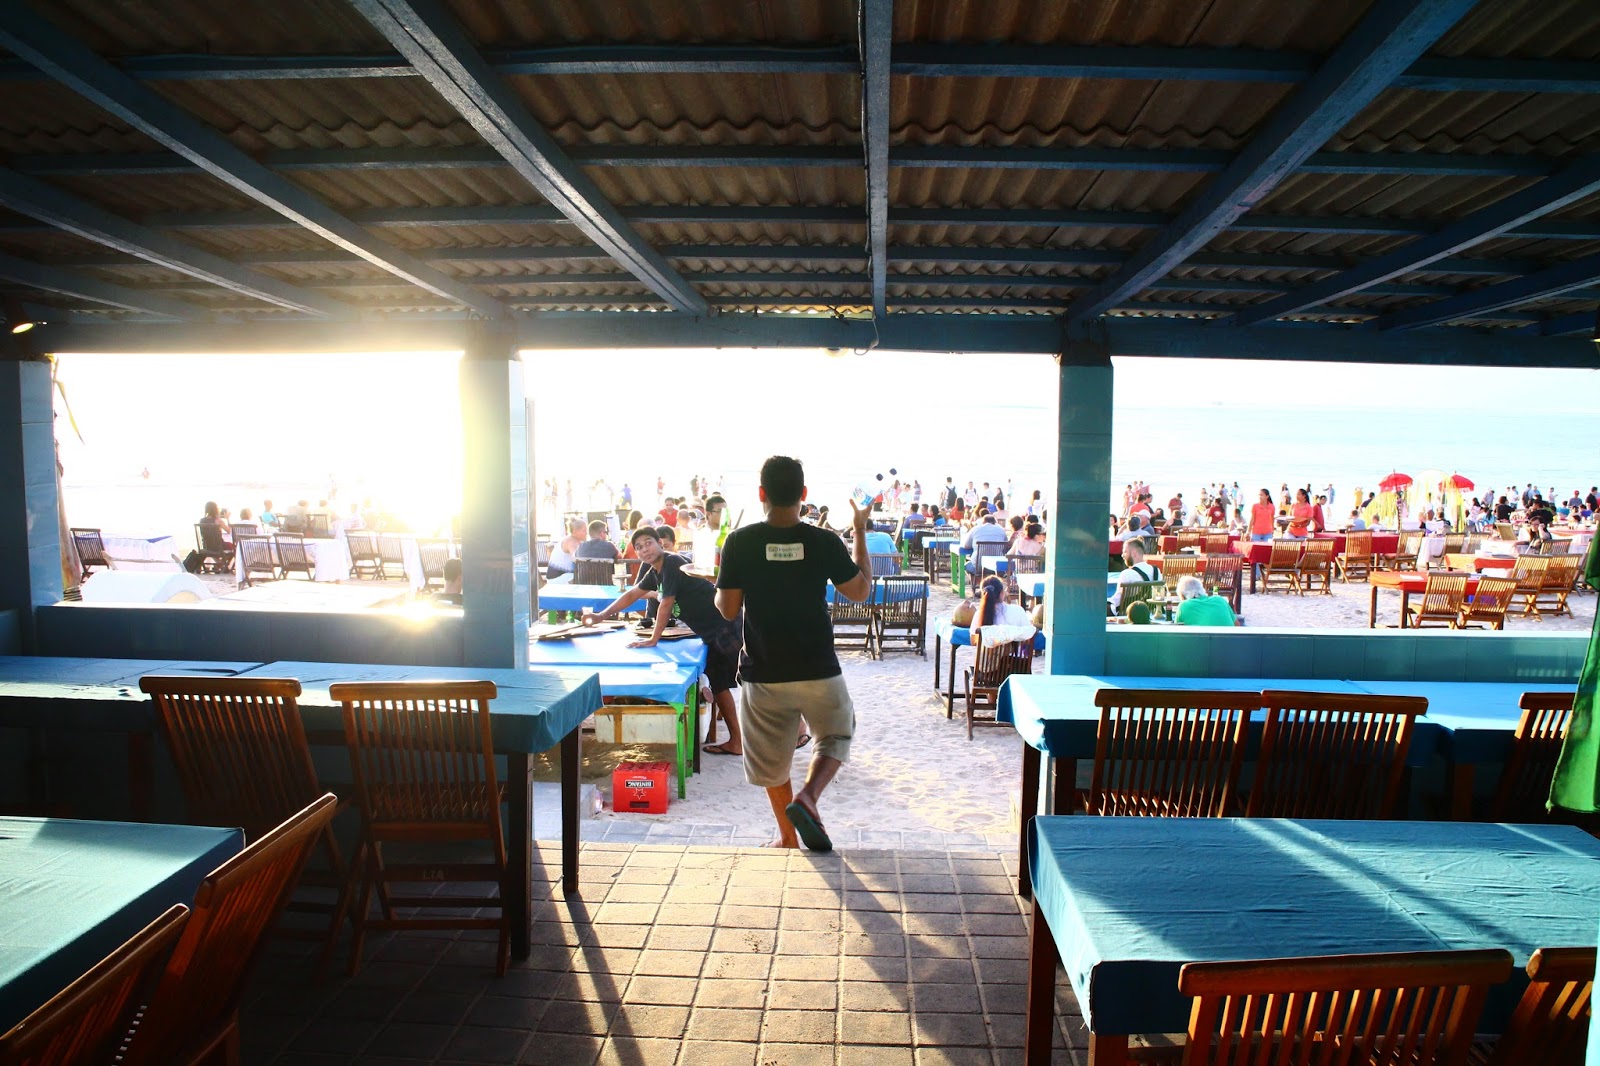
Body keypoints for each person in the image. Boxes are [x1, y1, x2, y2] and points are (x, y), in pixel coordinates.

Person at [713, 456, 870, 852]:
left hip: (764, 670)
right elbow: (860, 591)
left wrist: (723, 580)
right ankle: (809, 796)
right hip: (818, 667)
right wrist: (859, 530)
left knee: (771, 760)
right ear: (803, 493)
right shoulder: (823, 541)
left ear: (761, 494)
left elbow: (727, 609)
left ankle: (787, 838)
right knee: (836, 734)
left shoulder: (740, 541)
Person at [584, 527, 747, 756]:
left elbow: (666, 603)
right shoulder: (655, 573)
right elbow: (632, 595)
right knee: (719, 684)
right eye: (638, 547)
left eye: (648, 543)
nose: (644, 549)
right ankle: (736, 741)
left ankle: (781, 730)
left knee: (751, 680)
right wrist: (601, 616)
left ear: (660, 543)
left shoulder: (672, 562)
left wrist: (653, 639)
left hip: (725, 626)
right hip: (711, 632)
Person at [1111, 539, 1161, 612]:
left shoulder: (1126, 574)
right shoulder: (1157, 571)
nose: (1122, 555)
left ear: (1133, 553)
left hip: (1129, 614)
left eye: (1125, 552)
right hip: (1152, 613)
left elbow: (1117, 601)